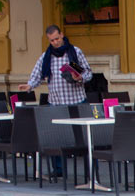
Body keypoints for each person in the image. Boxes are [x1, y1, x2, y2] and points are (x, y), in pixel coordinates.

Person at [19, 24, 92, 180]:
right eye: (52, 40)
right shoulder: (47, 57)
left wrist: (79, 77)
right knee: (55, 138)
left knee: (85, 137)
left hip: (77, 101)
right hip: (56, 103)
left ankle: (91, 171)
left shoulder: (73, 53)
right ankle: (58, 170)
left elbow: (87, 73)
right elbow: (37, 75)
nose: (55, 42)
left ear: (62, 35)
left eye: (57, 39)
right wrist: (29, 86)